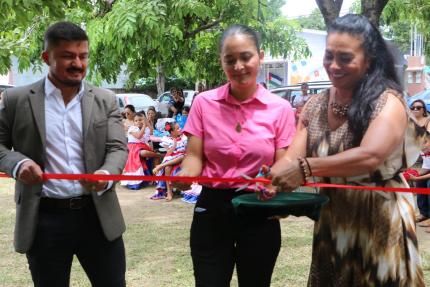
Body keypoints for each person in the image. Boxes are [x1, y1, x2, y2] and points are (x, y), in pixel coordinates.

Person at [269, 14, 425, 286]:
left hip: (380, 221)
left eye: (345, 58)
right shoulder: (316, 105)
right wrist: (274, 181)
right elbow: (292, 158)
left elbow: (370, 156)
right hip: (334, 221)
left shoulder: (388, 101)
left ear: (369, 60)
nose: (333, 65)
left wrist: (305, 169)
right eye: (329, 56)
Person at [0, 22, 128, 287]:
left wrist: (105, 174)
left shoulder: (105, 99)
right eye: (68, 56)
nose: (78, 63)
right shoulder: (17, 100)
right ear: (47, 57)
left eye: (83, 56)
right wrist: (18, 163)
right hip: (44, 219)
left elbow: (117, 148)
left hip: (98, 216)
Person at [174, 24, 296, 286]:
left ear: (260, 56)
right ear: (222, 62)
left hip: (259, 207)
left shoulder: (281, 108)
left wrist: (276, 187)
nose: (239, 66)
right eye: (230, 60)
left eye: (246, 57)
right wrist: (185, 173)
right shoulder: (204, 103)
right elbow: (194, 156)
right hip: (212, 209)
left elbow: (283, 161)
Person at [121, 112, 161, 189]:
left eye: (140, 120)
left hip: (143, 146)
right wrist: (144, 126)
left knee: (153, 157)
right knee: (144, 153)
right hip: (133, 149)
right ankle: (159, 155)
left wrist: (147, 123)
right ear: (133, 122)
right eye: (136, 120)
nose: (138, 122)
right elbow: (139, 136)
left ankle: (156, 179)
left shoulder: (145, 129)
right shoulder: (132, 128)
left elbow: (152, 132)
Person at [151, 122, 187, 201]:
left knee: (182, 156)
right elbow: (169, 153)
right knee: (167, 168)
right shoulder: (167, 139)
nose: (180, 129)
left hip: (183, 158)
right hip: (171, 158)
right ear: (172, 132)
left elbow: (185, 150)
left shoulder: (184, 137)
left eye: (179, 127)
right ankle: (169, 192)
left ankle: (160, 166)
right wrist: (174, 143)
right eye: (177, 128)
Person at [407, 100, 430, 226]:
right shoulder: (424, 152)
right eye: (413, 107)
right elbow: (426, 167)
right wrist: (415, 175)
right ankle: (424, 213)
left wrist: (417, 176)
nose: (415, 109)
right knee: (420, 181)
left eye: (419, 107)